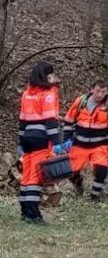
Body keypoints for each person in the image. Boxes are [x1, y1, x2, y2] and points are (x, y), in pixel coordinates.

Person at [63, 80, 108, 201]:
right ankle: (78, 184)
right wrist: (67, 139)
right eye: (97, 91)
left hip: (99, 145)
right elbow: (68, 121)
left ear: (107, 92)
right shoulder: (80, 102)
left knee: (101, 171)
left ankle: (94, 197)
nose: (100, 94)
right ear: (92, 90)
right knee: (71, 172)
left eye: (103, 91)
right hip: (79, 144)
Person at [18, 61, 61, 224]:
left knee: (26, 176)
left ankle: (24, 212)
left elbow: (22, 120)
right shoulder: (49, 93)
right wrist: (56, 142)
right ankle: (33, 215)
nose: (55, 78)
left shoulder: (27, 93)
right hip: (40, 138)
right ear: (47, 76)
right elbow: (50, 120)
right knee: (35, 178)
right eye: (52, 75)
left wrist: (21, 142)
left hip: (27, 137)